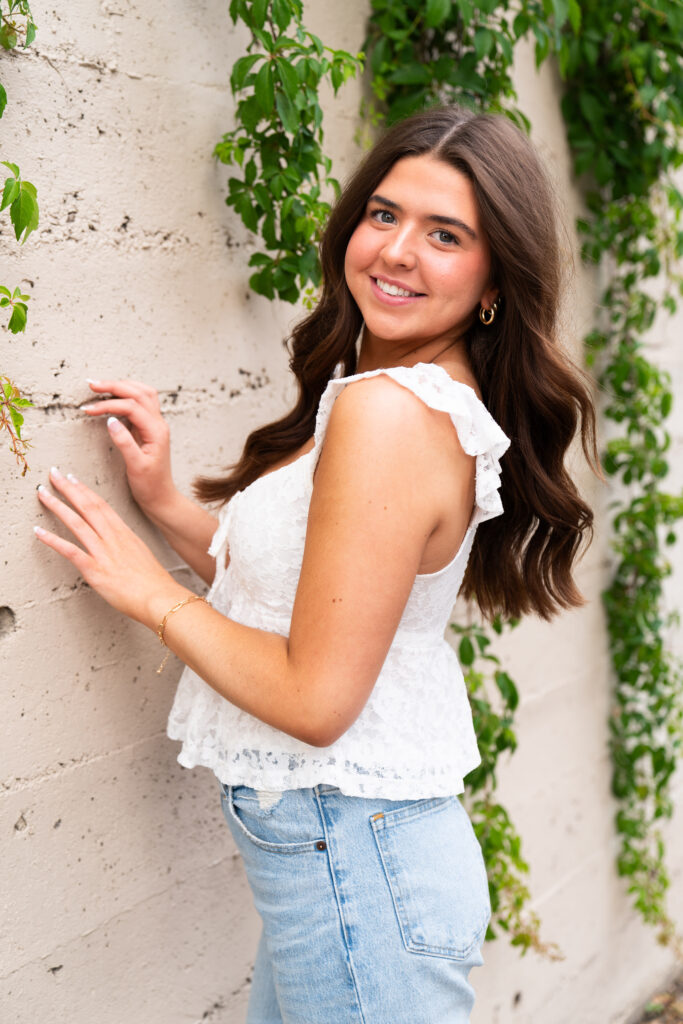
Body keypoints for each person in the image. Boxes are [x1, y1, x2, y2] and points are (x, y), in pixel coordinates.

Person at [35, 107, 599, 1022]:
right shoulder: (389, 397)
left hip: (358, 870)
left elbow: (316, 699)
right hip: (354, 870)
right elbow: (307, 603)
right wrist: (169, 503)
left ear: (493, 279)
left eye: (445, 234)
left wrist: (150, 598)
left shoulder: (392, 413)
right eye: (384, 215)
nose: (398, 251)